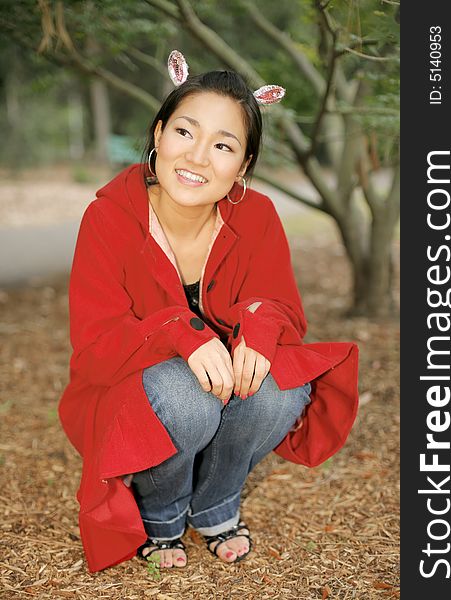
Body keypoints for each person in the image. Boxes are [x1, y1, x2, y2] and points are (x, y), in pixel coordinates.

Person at [58, 51, 359, 574]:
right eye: (184, 132)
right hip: (134, 392)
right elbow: (95, 348)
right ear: (157, 134)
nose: (197, 158)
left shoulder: (258, 214)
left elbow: (281, 306)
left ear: (242, 166)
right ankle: (162, 511)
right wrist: (180, 331)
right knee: (185, 397)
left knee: (280, 384)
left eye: (222, 145)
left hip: (219, 391)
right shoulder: (108, 217)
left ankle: (216, 503)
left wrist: (259, 331)